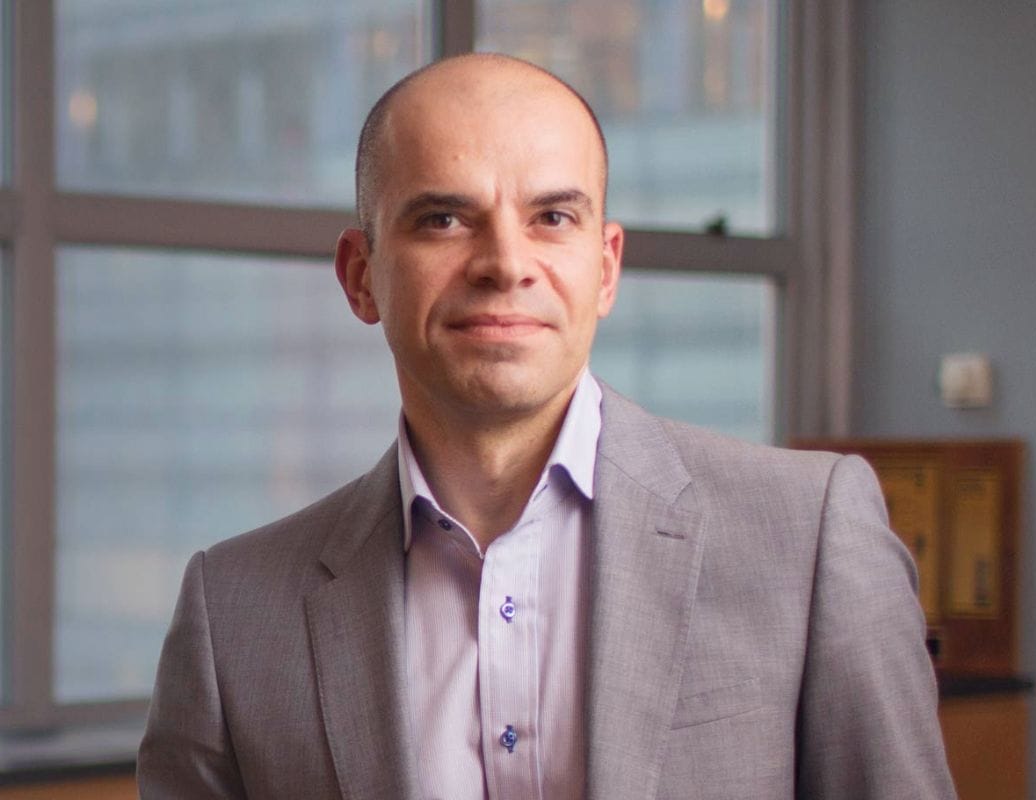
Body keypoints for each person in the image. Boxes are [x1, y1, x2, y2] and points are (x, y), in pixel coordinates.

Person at [138, 53, 955, 799]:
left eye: (552, 218)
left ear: (604, 270)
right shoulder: (235, 612)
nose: (505, 262)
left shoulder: (810, 537)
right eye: (444, 220)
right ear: (360, 276)